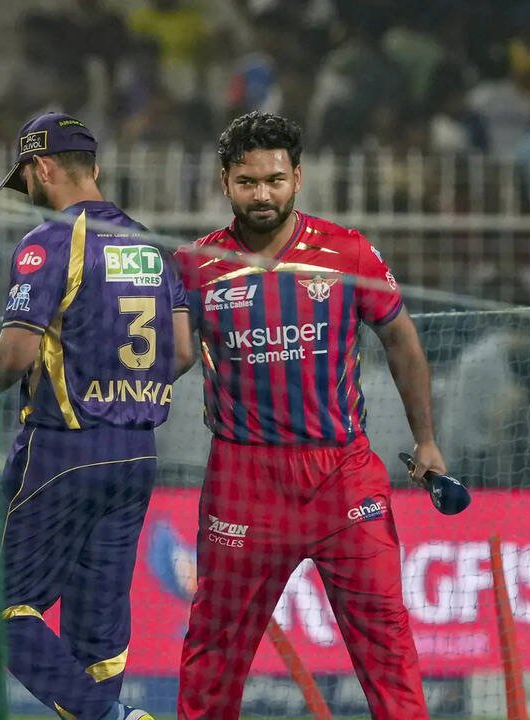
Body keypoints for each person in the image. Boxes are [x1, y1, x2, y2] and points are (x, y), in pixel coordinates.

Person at [174, 111, 447, 719]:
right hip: (243, 481)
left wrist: (426, 440)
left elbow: (402, 341)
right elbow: (171, 358)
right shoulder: (194, 265)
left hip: (342, 475)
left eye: (275, 180)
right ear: (225, 182)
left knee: (387, 642)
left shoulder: (348, 250)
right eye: (247, 182)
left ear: (297, 177)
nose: (262, 195)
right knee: (214, 649)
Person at [0, 112, 194, 720]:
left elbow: (15, 354)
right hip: (136, 453)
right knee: (96, 634)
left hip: (64, 448)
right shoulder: (150, 246)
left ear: (43, 167)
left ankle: (111, 719)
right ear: (94, 167)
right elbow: (182, 352)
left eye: (26, 177)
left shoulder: (49, 242)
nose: (26, 190)